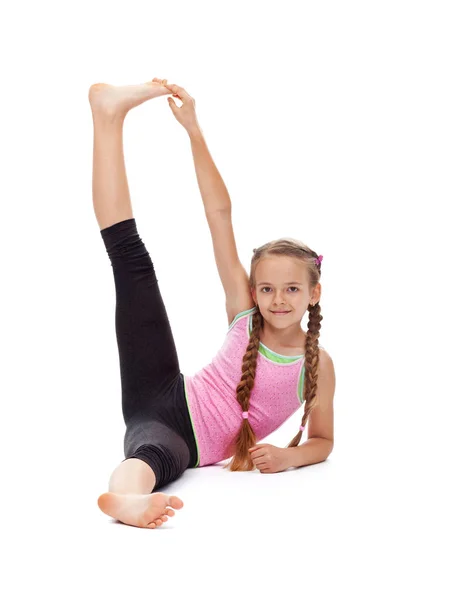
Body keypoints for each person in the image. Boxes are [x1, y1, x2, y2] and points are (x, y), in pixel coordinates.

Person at [89, 77, 336, 529]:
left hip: (181, 439)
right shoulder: (245, 316)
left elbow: (323, 440)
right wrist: (193, 131)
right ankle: (108, 116)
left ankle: (124, 499)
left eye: (292, 289)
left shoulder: (315, 364)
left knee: (148, 458)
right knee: (131, 261)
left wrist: (289, 457)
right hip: (163, 388)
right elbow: (219, 215)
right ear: (254, 290)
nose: (277, 300)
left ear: (314, 293)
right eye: (266, 288)